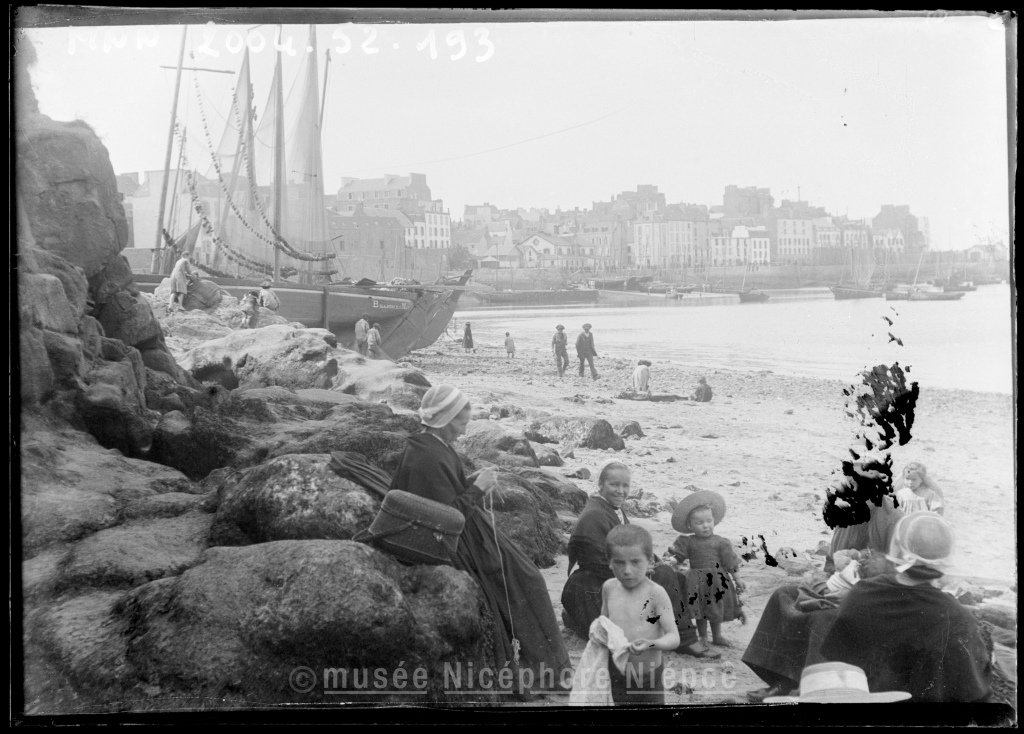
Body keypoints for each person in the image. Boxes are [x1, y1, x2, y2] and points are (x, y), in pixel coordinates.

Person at [390, 385, 572, 696]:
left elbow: (447, 492)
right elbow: (444, 516)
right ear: (445, 420)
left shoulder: (432, 445)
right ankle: (542, 671)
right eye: (461, 423)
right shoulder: (427, 457)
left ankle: (544, 668)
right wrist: (477, 489)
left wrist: (471, 482)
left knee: (528, 577)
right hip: (456, 540)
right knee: (526, 581)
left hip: (466, 529)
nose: (464, 430)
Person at [819, 512, 992, 702]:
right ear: (946, 558)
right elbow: (975, 693)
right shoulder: (957, 617)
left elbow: (835, 661)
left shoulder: (861, 593)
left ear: (897, 550)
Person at [561, 461, 712, 658]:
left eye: (625, 485)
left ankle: (672, 630)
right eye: (614, 484)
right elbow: (594, 560)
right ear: (600, 484)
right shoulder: (594, 514)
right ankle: (685, 640)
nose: (620, 491)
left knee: (676, 576)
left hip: (612, 572)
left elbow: (630, 542)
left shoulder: (611, 508)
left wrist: (652, 559)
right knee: (665, 575)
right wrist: (640, 569)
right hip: (596, 583)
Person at [742, 550, 894, 701]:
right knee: (784, 593)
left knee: (824, 619)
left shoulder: (897, 545)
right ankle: (784, 680)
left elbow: (895, 580)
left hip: (873, 602)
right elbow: (832, 564)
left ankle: (812, 689)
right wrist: (821, 582)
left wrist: (855, 594)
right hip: (842, 585)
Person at [601, 524, 680, 705]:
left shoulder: (656, 593)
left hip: (648, 676)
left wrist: (650, 644)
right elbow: (604, 626)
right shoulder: (609, 588)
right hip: (616, 673)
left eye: (635, 562)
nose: (627, 571)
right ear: (609, 561)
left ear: (650, 561)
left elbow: (674, 638)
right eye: (619, 562)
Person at [667, 490, 745, 648]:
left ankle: (717, 636)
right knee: (700, 609)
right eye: (699, 523)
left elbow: (730, 562)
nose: (705, 525)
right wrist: (672, 560)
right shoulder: (688, 541)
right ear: (690, 525)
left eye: (709, 521)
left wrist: (738, 579)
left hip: (717, 581)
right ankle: (702, 636)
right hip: (697, 582)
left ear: (714, 520)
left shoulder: (721, 542)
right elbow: (679, 555)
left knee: (715, 608)